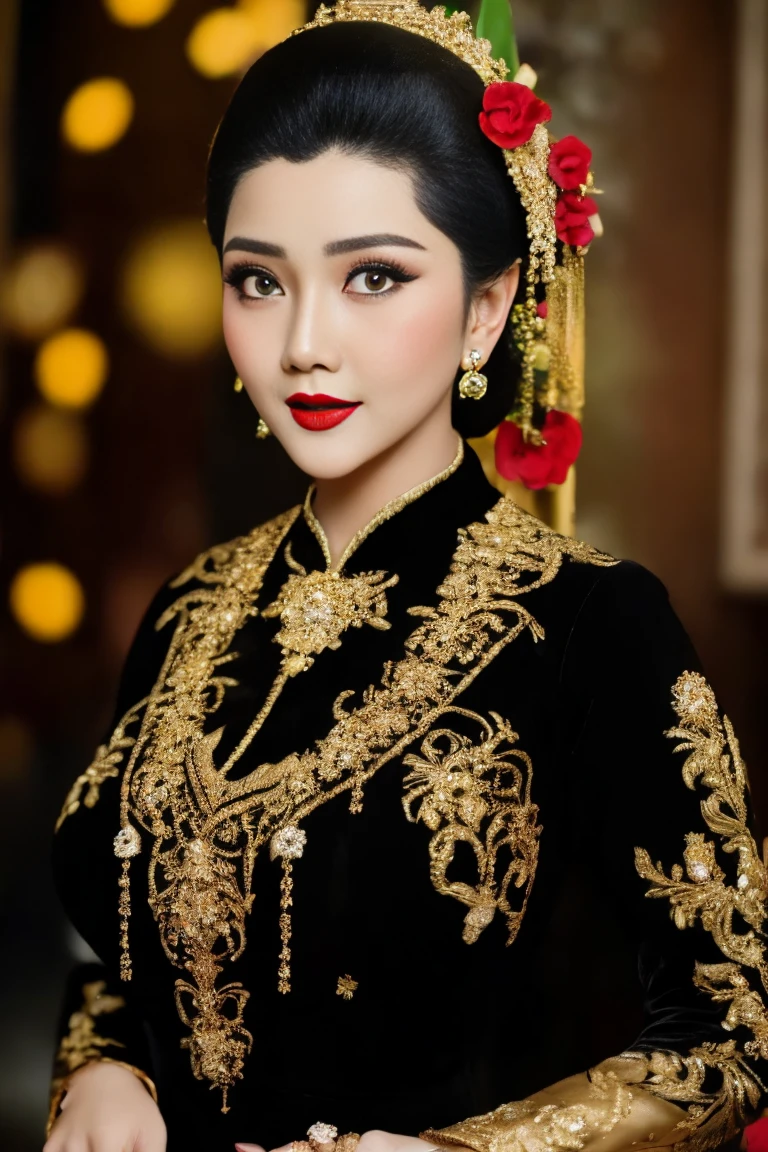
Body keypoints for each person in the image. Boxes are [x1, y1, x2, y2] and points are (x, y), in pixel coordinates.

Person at [45, 3, 768, 1152]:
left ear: (488, 306)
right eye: (259, 281)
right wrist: (105, 1067)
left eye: (373, 278)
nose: (303, 345)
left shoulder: (592, 624)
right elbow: (124, 945)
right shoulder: (191, 607)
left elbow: (728, 1038)